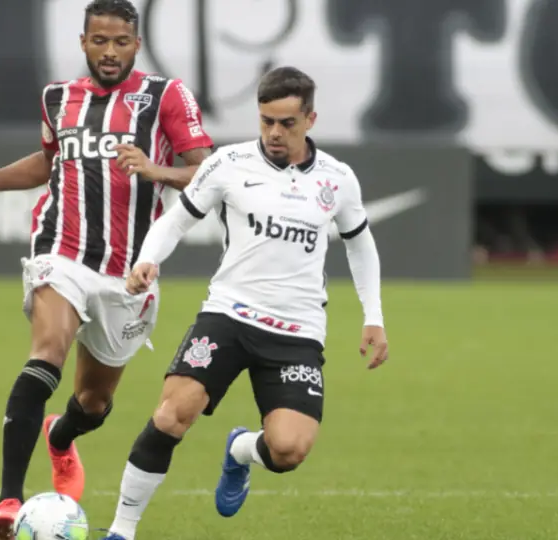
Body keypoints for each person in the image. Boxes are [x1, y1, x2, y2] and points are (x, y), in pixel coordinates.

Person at [0, 1, 214, 537]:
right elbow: (50, 162)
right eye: (99, 41)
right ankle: (9, 500)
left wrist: (154, 169)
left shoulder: (165, 95)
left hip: (129, 271)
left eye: (120, 42)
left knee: (94, 402)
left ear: (136, 45)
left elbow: (208, 171)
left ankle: (62, 436)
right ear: (83, 42)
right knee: (46, 352)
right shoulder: (58, 97)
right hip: (61, 250)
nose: (109, 52)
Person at [100, 66, 390, 540]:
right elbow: (177, 220)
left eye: (287, 123)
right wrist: (148, 259)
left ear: (310, 120)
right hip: (229, 315)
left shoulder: (338, 179)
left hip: (296, 331)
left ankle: (241, 450)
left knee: (289, 450)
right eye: (266, 121)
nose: (274, 132)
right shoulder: (228, 163)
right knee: (172, 414)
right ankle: (121, 529)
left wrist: (373, 316)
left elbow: (360, 244)